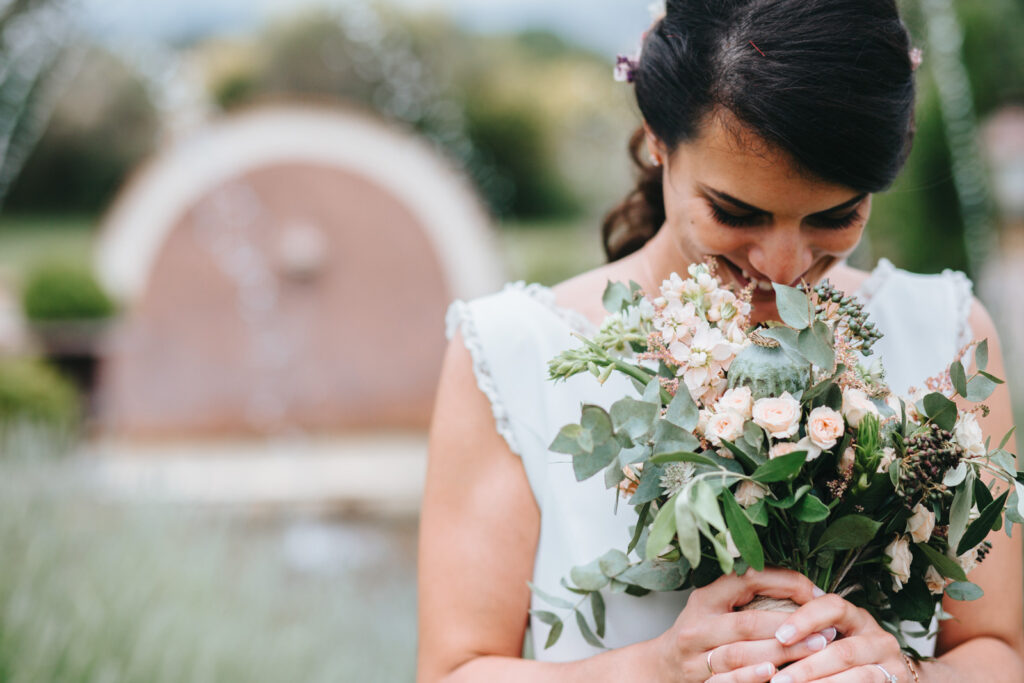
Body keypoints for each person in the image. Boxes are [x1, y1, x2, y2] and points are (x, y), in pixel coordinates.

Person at [417, 1, 1024, 681]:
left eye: (836, 215)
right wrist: (654, 670)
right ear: (657, 139)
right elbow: (454, 670)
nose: (784, 264)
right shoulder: (511, 352)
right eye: (737, 212)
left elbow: (997, 652)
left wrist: (905, 675)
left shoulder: (946, 333)